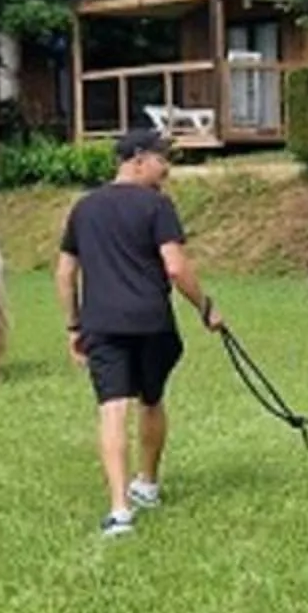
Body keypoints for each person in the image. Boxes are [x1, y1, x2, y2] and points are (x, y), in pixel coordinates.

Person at [55, 126, 224, 535]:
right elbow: (176, 267)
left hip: (102, 323)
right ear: (137, 159)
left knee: (112, 409)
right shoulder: (156, 207)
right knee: (152, 399)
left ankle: (119, 510)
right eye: (161, 159)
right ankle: (146, 482)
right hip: (152, 321)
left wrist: (73, 325)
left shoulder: (84, 208)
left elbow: (64, 273)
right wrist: (206, 308)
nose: (166, 168)